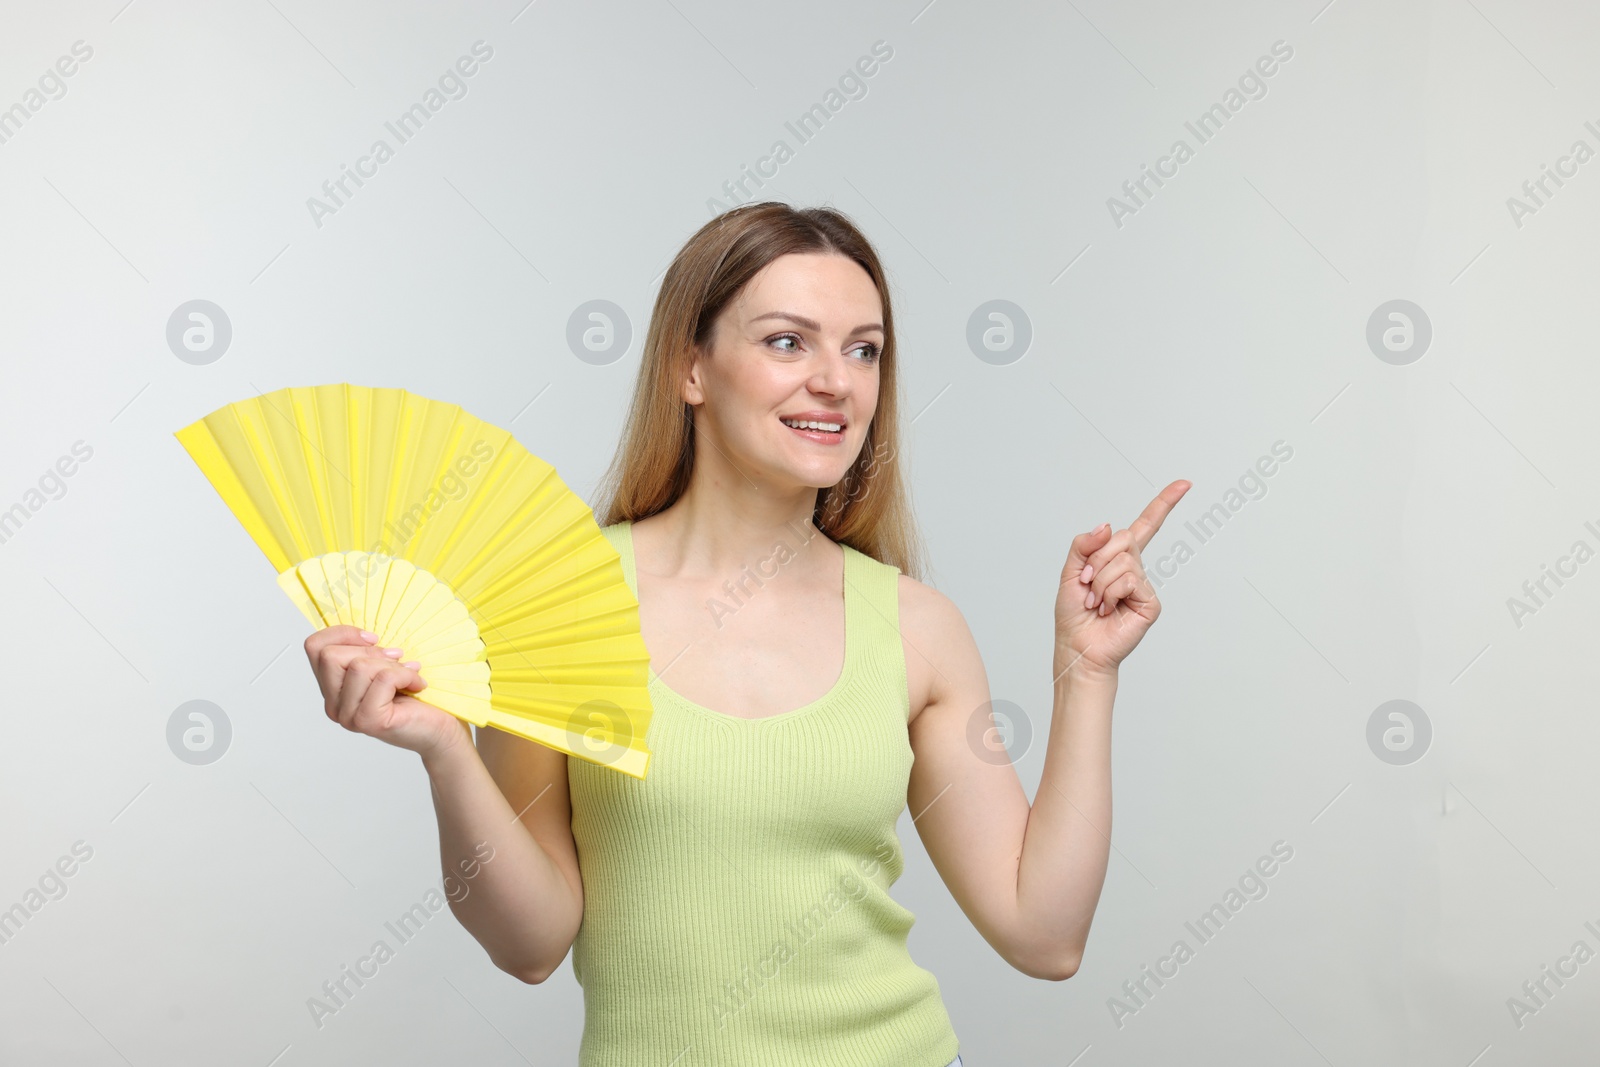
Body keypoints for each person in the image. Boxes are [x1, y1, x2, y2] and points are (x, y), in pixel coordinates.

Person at [302, 202, 1190, 1066]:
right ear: (691, 368)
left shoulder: (917, 626)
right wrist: (445, 751)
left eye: (865, 349)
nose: (836, 380)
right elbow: (530, 943)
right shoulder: (559, 605)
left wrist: (1085, 672)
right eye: (785, 340)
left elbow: (1045, 934)